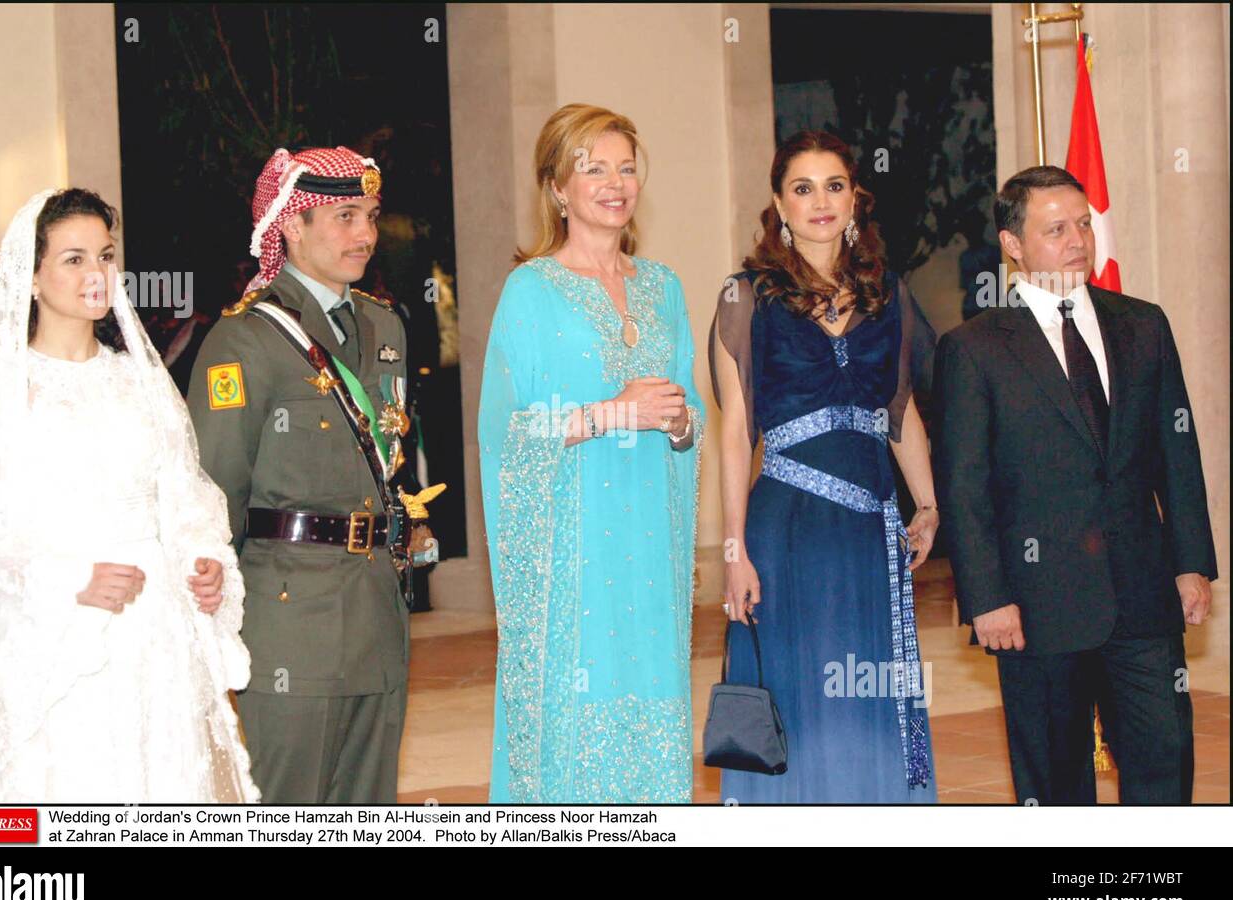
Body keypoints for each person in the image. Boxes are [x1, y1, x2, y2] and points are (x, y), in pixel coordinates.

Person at [0, 189, 257, 802]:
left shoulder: (138, 379)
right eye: (73, 259)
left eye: (105, 257)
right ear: (31, 278)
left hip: (154, 629)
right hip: (61, 633)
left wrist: (203, 560)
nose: (96, 274)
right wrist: (70, 579)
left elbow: (184, 491)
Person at [933, 165, 1217, 805]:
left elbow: (1177, 451)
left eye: (1083, 224)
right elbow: (965, 487)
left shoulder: (1145, 324)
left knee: (1164, 760)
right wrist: (986, 598)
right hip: (1035, 608)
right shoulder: (974, 348)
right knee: (1058, 784)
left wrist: (1191, 563)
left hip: (1143, 594)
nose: (1077, 240)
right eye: (1055, 228)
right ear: (1013, 245)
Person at [188, 146, 433, 804]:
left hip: (379, 613)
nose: (366, 235)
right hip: (290, 620)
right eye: (345, 216)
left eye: (372, 216)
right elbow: (213, 496)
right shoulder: (244, 341)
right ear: (291, 226)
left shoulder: (385, 326)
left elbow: (383, 456)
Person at [478, 104, 703, 803]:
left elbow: (690, 413)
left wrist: (676, 425)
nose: (615, 182)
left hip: (649, 551)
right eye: (593, 168)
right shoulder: (531, 291)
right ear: (556, 188)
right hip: (570, 559)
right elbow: (508, 434)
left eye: (627, 167)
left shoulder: (664, 287)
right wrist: (615, 413)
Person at [711, 130, 939, 803]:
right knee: (801, 693)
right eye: (802, 188)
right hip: (787, 529)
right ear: (778, 202)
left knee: (868, 691)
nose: (820, 202)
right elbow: (733, 432)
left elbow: (902, 410)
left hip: (871, 532)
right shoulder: (744, 295)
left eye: (834, 186)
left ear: (854, 200)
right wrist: (733, 548)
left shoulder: (888, 293)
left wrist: (926, 504)